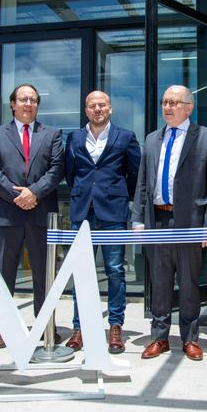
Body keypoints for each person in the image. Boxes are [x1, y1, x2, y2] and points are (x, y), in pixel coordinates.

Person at [132, 85, 207, 362]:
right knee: (159, 283)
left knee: (189, 282)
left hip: (190, 222)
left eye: (174, 102)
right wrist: (138, 218)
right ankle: (159, 338)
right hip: (157, 220)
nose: (168, 107)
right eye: (165, 102)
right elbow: (143, 183)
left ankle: (191, 338)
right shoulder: (150, 140)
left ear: (189, 107)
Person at [0, 83, 64, 349]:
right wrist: (17, 195)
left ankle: (45, 326)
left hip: (41, 215)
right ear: (13, 104)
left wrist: (34, 193)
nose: (28, 104)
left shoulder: (52, 134)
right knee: (4, 275)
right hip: (6, 215)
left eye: (33, 100)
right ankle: (1, 329)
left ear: (37, 105)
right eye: (23, 99)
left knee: (44, 275)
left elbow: (56, 169)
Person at [64, 90, 141, 354]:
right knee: (80, 272)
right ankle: (80, 327)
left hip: (113, 214)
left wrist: (120, 198)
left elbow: (135, 174)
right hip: (82, 213)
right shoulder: (73, 137)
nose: (98, 109)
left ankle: (116, 326)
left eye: (102, 105)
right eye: (92, 106)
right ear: (86, 110)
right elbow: (70, 173)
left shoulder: (126, 137)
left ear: (110, 108)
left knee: (115, 271)